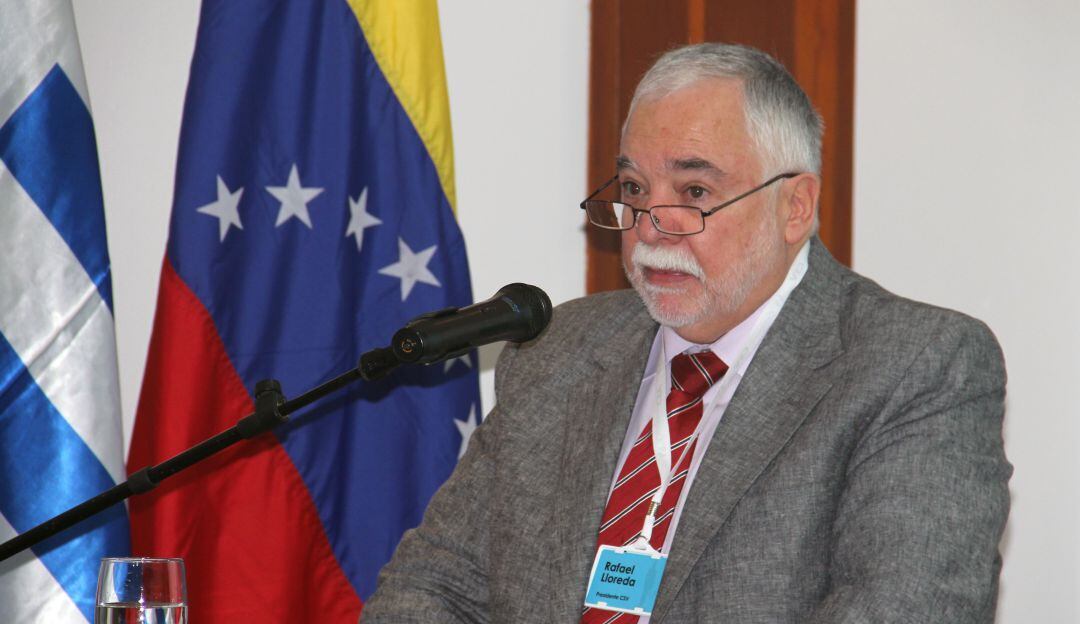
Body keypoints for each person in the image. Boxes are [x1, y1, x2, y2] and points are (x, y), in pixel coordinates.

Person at [361, 43, 1010, 623]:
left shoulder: (915, 365)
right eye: (637, 188)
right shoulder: (559, 349)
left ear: (795, 207)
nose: (649, 225)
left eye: (694, 190)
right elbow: (435, 586)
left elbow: (905, 608)